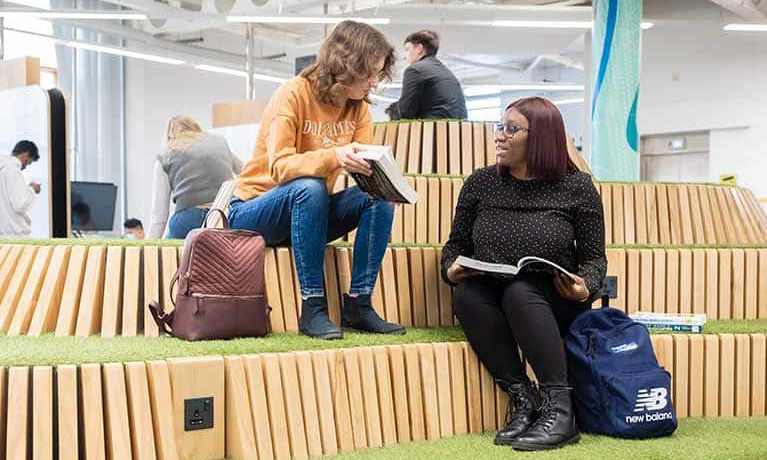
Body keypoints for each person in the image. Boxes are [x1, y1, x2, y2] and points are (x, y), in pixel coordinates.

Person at [441, 97, 606, 451]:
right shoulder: (480, 183)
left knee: (521, 290)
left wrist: (584, 287)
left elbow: (594, 259)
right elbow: (454, 247)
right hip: (494, 292)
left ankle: (561, 413)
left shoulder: (577, 188)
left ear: (542, 137)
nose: (499, 136)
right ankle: (523, 399)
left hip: (554, 300)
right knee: (467, 295)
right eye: (499, 127)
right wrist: (453, 270)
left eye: (511, 129)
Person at [230, 20, 405, 340]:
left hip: (308, 214)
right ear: (346, 66)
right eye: (370, 74)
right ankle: (313, 307)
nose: (375, 84)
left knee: (377, 198)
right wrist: (335, 156)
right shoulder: (292, 94)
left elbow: (365, 164)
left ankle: (359, 304)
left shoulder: (359, 109)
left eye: (378, 74)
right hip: (253, 211)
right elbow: (280, 168)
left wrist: (386, 183)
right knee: (309, 188)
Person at [148, 116, 243, 239]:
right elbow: (245, 172)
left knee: (169, 253)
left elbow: (159, 216)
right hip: (225, 216)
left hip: (188, 220)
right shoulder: (219, 143)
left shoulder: (166, 155)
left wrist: (149, 246)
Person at [393, 30, 467, 120]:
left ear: (419, 49)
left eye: (407, 49)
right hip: (459, 130)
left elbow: (406, 112)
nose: (405, 56)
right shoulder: (447, 72)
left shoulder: (415, 70)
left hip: (432, 130)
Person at [0, 140, 41, 237]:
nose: (25, 167)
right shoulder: (13, 171)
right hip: (13, 235)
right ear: (25, 155)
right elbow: (20, 205)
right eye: (28, 163)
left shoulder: (2, 169)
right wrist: (32, 190)